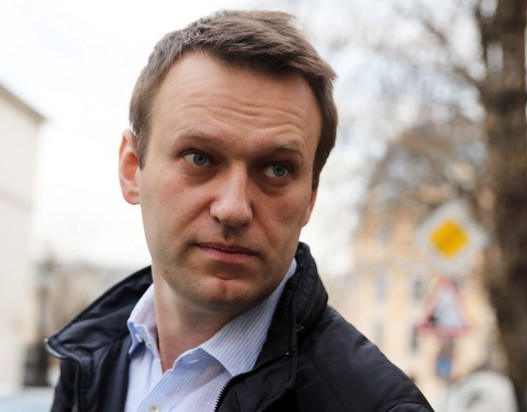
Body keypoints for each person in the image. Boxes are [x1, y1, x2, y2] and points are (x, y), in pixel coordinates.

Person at [46, 10, 433, 412]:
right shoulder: (89, 361)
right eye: (199, 158)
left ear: (310, 198)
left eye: (277, 169)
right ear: (131, 170)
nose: (233, 209)